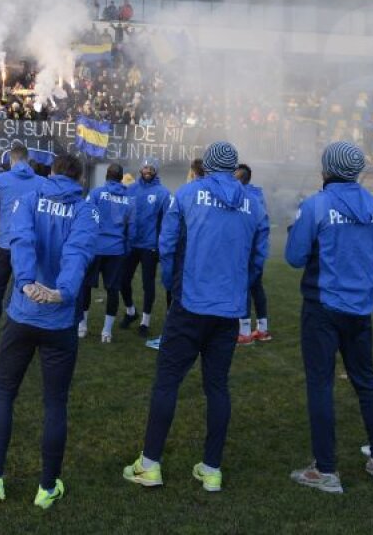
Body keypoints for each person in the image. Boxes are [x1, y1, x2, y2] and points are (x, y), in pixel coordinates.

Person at [123, 142, 268, 494]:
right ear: (233, 168)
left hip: (190, 304)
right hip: (229, 309)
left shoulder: (188, 193)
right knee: (217, 386)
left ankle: (151, 464)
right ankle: (212, 468)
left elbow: (168, 245)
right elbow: (258, 258)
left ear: (208, 165)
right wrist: (239, 287)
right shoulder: (255, 204)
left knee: (167, 381)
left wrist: (173, 283)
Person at [0, 153, 98, 509]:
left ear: (52, 172)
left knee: (4, 394)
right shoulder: (86, 209)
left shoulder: (31, 199)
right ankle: (46, 488)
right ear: (79, 178)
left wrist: (30, 284)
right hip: (58, 320)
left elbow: (22, 241)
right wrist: (62, 291)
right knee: (55, 403)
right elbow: (77, 254)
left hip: (23, 313)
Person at [285, 141, 373, 492]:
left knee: (321, 384)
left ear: (326, 169)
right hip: (360, 308)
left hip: (323, 307)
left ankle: (326, 470)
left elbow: (295, 257)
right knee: (367, 382)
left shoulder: (316, 204)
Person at [0, 144, 45, 355]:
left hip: (5, 243)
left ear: (12, 160)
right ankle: (27, 335)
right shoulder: (42, 183)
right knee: (28, 287)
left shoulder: (0, 180)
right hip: (29, 244)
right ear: (28, 160)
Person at [80, 162, 133, 342]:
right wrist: (127, 247)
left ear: (106, 177)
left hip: (95, 248)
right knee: (113, 290)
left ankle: (82, 327)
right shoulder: (129, 199)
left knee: (85, 287)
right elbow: (131, 227)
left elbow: (86, 217)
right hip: (116, 250)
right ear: (120, 178)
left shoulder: (95, 193)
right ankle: (106, 333)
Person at [122, 156, 171, 337]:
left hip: (150, 246)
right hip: (131, 243)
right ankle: (130, 311)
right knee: (122, 281)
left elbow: (168, 222)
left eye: (151, 168)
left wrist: (162, 244)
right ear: (141, 169)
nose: (148, 170)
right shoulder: (131, 189)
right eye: (145, 167)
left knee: (147, 284)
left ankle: (145, 321)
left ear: (156, 171)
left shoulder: (163, 193)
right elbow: (124, 215)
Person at [234, 163, 271, 344]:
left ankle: (245, 332)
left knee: (244, 287)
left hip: (245, 249)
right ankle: (263, 329)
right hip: (258, 249)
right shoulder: (258, 195)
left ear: (240, 178)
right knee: (256, 287)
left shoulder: (243, 197)